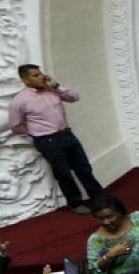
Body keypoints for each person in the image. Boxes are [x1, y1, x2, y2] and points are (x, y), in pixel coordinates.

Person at [7, 64, 103, 214]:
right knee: (63, 172)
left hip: (67, 134)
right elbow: (15, 125)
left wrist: (56, 86)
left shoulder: (52, 90)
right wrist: (34, 133)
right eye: (35, 75)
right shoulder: (19, 100)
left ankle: (98, 197)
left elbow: (74, 97)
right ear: (26, 80)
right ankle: (76, 203)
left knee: (83, 167)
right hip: (48, 140)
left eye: (40, 74)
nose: (41, 77)